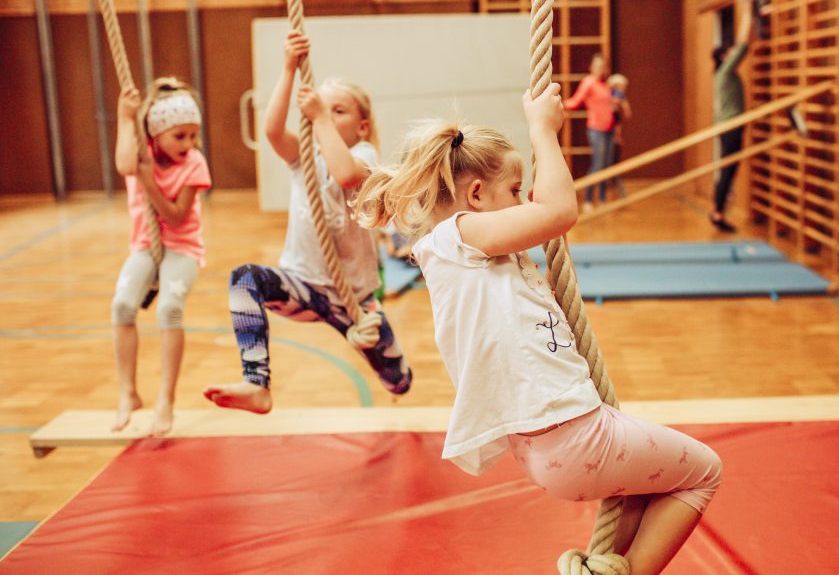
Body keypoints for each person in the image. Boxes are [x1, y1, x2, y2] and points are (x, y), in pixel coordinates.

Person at [354, 84, 722, 574]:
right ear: (476, 196)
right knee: (704, 472)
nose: (524, 198)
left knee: (648, 487)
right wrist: (542, 131)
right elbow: (558, 212)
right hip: (571, 437)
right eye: (514, 190)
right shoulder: (458, 236)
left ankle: (613, 567)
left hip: (546, 445)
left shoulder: (477, 257)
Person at [203, 30, 411, 414]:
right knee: (244, 277)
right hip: (303, 285)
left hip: (355, 300)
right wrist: (287, 69)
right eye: (322, 110)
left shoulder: (365, 155)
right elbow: (271, 131)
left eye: (339, 112)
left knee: (399, 379)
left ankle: (395, 381)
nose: (327, 118)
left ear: (362, 127)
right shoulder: (303, 157)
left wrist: (319, 118)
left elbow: (346, 174)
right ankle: (257, 383)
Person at [111, 77, 211, 436]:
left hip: (182, 247)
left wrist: (149, 181)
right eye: (179, 136)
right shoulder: (142, 154)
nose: (189, 144)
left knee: (170, 308)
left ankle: (165, 399)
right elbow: (125, 165)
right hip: (144, 246)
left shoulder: (194, 163)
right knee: (122, 305)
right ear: (156, 134)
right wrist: (125, 117)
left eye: (193, 135)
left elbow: (175, 216)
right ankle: (128, 392)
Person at [710, 0, 755, 234]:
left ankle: (718, 210)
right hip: (730, 126)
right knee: (728, 170)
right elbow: (743, 45)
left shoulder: (720, 75)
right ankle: (718, 212)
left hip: (727, 125)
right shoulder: (726, 71)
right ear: (723, 57)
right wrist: (747, 10)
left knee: (727, 170)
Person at [565, 53, 614, 211]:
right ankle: (587, 200)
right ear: (592, 67)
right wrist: (559, 103)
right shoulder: (589, 82)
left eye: (603, 65)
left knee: (605, 165)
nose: (601, 68)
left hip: (609, 129)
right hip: (596, 129)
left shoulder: (606, 84)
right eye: (598, 65)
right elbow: (575, 101)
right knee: (597, 164)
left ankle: (602, 199)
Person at [607, 73, 632, 199]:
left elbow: (625, 111)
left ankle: (618, 189)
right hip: (607, 128)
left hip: (612, 129)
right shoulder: (615, 95)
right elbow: (625, 108)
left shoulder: (617, 96)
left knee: (612, 162)